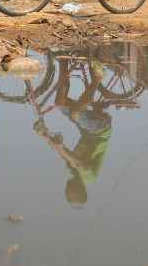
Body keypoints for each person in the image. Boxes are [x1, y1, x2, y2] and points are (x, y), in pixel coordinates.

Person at [33, 57, 112, 208]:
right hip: (100, 130)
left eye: (67, 192)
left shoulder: (73, 171)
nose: (67, 189)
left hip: (87, 130)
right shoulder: (88, 177)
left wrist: (45, 136)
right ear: (79, 190)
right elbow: (75, 160)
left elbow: (64, 155)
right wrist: (60, 146)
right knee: (76, 113)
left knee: (60, 103)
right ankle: (98, 78)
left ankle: (64, 65)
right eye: (71, 192)